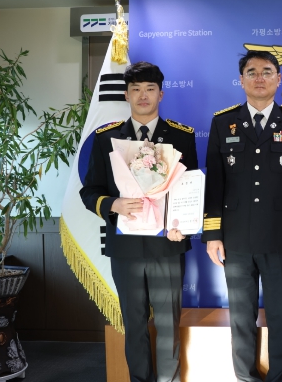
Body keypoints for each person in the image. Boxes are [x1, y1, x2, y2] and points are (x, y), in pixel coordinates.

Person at [80, 61, 198, 382]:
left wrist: (183, 224)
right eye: (136, 89)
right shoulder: (106, 138)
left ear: (161, 94)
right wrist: (113, 204)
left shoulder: (182, 137)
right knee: (134, 325)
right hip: (125, 248)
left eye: (149, 89)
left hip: (167, 246)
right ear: (126, 95)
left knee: (168, 325)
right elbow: (90, 191)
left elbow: (190, 190)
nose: (143, 95)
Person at [202, 50, 282, 382]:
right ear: (241, 80)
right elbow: (214, 183)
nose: (260, 78)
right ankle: (245, 377)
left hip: (280, 239)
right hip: (235, 239)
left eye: (267, 72)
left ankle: (279, 377)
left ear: (279, 79)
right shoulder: (222, 122)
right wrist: (213, 234)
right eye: (252, 72)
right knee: (240, 317)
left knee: (280, 316)